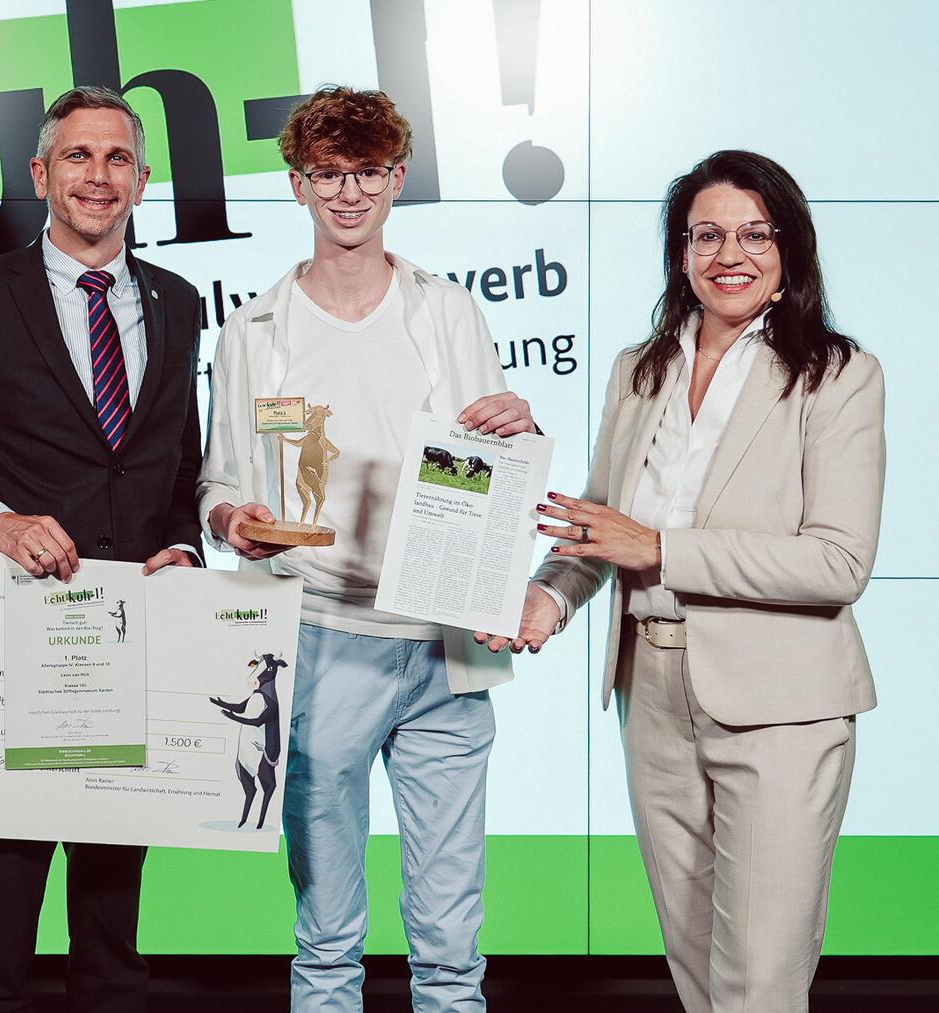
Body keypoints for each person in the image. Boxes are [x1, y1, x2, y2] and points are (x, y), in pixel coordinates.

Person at [486, 149, 884, 1012]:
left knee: (761, 977)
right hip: (653, 692)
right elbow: (603, 524)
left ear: (789, 249)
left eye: (754, 234)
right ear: (680, 251)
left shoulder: (837, 372)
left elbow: (839, 562)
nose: (728, 254)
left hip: (782, 703)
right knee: (697, 965)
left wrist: (662, 549)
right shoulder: (642, 367)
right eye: (707, 234)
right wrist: (547, 596)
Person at [197, 86, 538, 1012]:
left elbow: (489, 470)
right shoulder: (256, 331)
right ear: (297, 186)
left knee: (450, 933)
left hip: (442, 643)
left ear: (396, 180)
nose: (349, 196)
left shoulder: (448, 312)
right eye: (327, 176)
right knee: (325, 931)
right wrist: (232, 522)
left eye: (367, 175)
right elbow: (219, 485)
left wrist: (514, 429)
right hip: (315, 638)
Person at [0, 85, 203, 1013]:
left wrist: (187, 547)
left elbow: (181, 462)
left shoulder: (182, 301)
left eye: (118, 159)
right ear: (40, 174)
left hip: (135, 643)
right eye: (78, 156)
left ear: (144, 180)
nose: (98, 176)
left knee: (114, 940)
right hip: (14, 640)